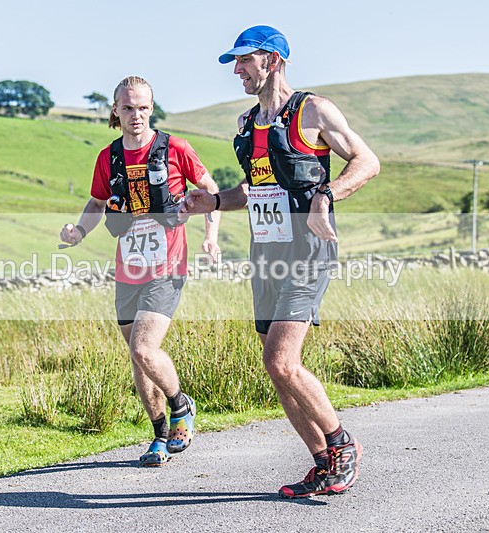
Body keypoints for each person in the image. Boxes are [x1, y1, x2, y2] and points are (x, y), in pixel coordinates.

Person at [181, 25, 380, 497]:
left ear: (272, 60)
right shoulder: (248, 124)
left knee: (281, 359)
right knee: (276, 367)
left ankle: (343, 444)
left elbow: (367, 161)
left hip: (307, 251)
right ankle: (323, 463)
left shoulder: (312, 110)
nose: (237, 70)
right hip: (266, 252)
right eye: (235, 62)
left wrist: (326, 195)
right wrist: (213, 202)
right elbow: (254, 189)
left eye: (244, 60)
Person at [59, 76, 221, 466]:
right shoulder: (109, 157)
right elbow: (97, 203)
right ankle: (160, 436)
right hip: (128, 269)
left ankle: (181, 405)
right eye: (128, 107)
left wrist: (210, 237)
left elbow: (210, 191)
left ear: (152, 108)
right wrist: (79, 231)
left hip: (168, 265)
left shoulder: (175, 148)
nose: (136, 115)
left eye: (143, 107)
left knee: (143, 348)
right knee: (138, 358)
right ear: (115, 110)